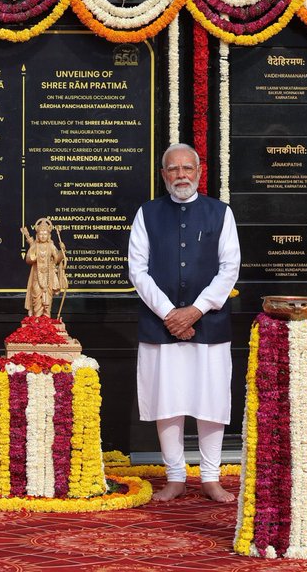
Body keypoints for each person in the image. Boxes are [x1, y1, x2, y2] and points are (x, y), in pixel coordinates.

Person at [128, 143, 240, 503]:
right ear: (163, 175)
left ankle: (210, 477)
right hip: (161, 324)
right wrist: (169, 314)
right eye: (173, 170)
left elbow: (229, 268)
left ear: (198, 172)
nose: (181, 175)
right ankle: (174, 477)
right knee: (169, 400)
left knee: (210, 402)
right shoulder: (147, 213)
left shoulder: (220, 213)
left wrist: (196, 310)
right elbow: (138, 270)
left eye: (187, 169)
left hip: (209, 323)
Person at [21, 217, 68, 318]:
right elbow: (28, 259)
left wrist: (62, 251)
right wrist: (34, 257)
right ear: (37, 235)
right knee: (36, 296)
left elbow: (58, 258)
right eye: (41, 234)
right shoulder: (35, 245)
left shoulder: (51, 246)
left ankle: (46, 321)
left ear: (49, 235)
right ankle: (37, 319)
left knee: (48, 300)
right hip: (36, 276)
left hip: (48, 276)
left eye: (45, 234)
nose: (43, 236)